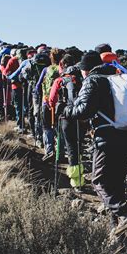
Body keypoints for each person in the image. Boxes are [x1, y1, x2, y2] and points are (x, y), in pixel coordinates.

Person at [63, 50, 127, 237]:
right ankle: (117, 229)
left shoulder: (93, 80)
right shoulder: (117, 77)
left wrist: (66, 110)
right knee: (116, 182)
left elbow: (83, 111)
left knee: (100, 181)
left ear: (85, 69)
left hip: (107, 136)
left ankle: (124, 214)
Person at [48, 54, 84, 189]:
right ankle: (81, 173)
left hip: (66, 117)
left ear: (62, 65)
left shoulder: (60, 80)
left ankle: (76, 182)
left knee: (71, 147)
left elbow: (52, 100)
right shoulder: (82, 78)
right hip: (82, 116)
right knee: (79, 145)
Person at [37, 48, 65, 160]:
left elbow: (38, 86)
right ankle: (60, 153)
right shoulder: (63, 70)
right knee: (60, 128)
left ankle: (49, 151)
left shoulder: (46, 70)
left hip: (46, 102)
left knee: (47, 127)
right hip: (59, 103)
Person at [1, 49, 23, 130]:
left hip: (16, 86)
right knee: (25, 106)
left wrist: (2, 67)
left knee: (18, 106)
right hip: (26, 86)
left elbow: (6, 73)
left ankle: (20, 125)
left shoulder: (12, 60)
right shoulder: (24, 60)